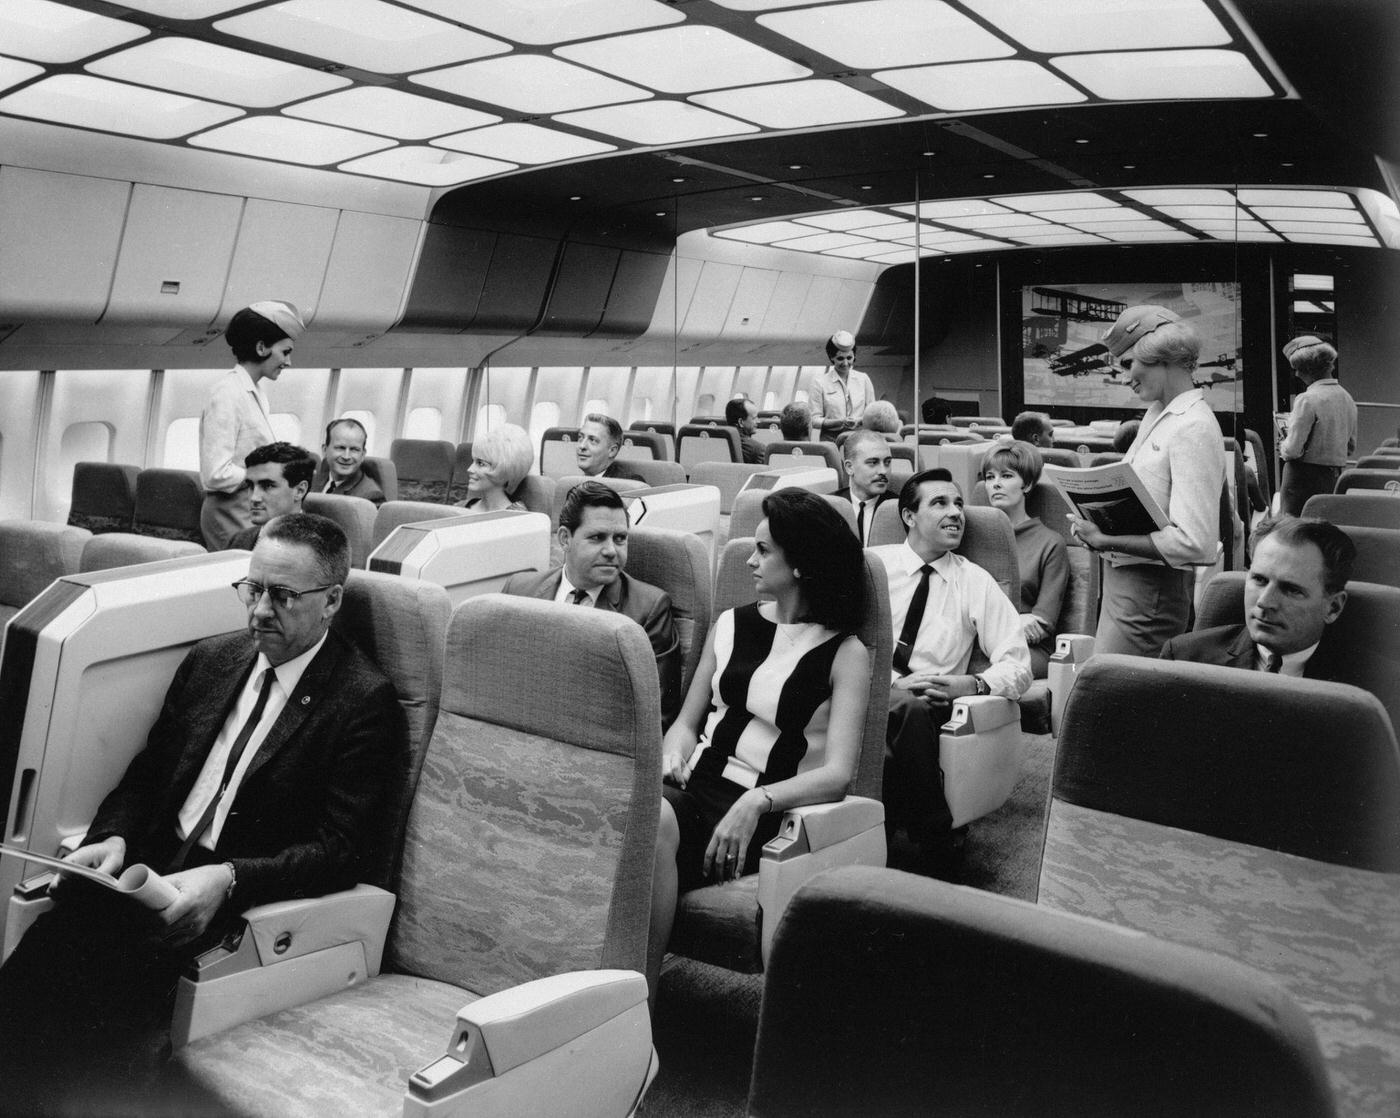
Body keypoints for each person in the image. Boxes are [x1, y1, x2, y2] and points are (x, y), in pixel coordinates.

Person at [0, 514, 403, 1110]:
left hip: (231, 904)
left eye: (284, 596)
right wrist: (113, 837)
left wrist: (231, 877)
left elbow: (343, 849)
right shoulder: (213, 660)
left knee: (95, 1049)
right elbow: (147, 776)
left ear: (331, 601)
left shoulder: (363, 701)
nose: (261, 610)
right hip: (142, 874)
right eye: (253, 589)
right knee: (23, 994)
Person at [648, 488, 870, 1000]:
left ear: (800, 565)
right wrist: (671, 754)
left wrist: (756, 800)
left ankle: (642, 1003)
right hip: (692, 788)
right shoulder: (730, 625)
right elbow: (687, 721)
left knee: (651, 821)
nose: (749, 559)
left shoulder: (845, 653)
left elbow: (838, 773)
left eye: (764, 550)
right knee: (637, 811)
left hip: (760, 814)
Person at [871, 469, 1031, 870]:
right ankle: (934, 836)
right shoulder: (872, 567)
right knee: (897, 717)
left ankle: (882, 845)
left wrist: (972, 683)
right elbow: (840, 639)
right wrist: (887, 682)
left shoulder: (974, 580)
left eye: (959, 503)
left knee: (911, 710)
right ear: (909, 516)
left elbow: (1019, 665)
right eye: (940, 503)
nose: (956, 512)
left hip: (931, 704)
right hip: (870, 689)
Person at [1067, 305, 1224, 658]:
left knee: (1110, 695)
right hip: (1123, 582)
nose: (1126, 377)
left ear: (1160, 358)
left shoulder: (1192, 426)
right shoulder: (1158, 414)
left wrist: (1106, 538)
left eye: (1128, 364)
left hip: (1150, 594)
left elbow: (1195, 542)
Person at [1160, 516, 1396, 701]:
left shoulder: (1382, 686)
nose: (1264, 601)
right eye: (1259, 580)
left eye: (1291, 589)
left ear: (1333, 607)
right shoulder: (1184, 659)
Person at [502, 481, 679, 726]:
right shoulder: (520, 590)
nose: (611, 550)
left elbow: (656, 715)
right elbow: (499, 679)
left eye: (620, 539)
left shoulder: (649, 609)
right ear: (565, 539)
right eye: (597, 538)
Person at [199, 301, 305, 550]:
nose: (288, 361)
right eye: (285, 352)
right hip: (229, 512)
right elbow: (215, 473)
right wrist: (267, 478)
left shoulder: (254, 391)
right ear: (261, 347)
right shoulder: (227, 394)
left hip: (248, 506)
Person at [981, 441, 1069, 678]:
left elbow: (1041, 624)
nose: (995, 483)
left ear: (1027, 484)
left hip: (1027, 649)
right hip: (977, 641)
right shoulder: (975, 536)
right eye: (990, 477)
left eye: (1006, 476)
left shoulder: (1051, 543)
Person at [1278, 335, 1356, 515]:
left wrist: (1282, 445)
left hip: (1300, 478)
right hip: (1332, 477)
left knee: (1291, 528)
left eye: (1298, 369)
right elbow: (1350, 447)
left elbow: (1292, 450)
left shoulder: (1306, 399)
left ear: (1309, 369)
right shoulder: (1347, 398)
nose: (1297, 374)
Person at [225, 441, 314, 551]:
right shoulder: (240, 540)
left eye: (268, 486)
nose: (254, 498)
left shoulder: (316, 546)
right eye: (251, 486)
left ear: (299, 491)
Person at [803, 330, 875, 443]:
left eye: (849, 358)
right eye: (840, 358)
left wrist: (858, 421)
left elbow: (872, 412)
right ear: (832, 358)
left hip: (860, 440)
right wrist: (840, 422)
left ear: (854, 356)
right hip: (831, 441)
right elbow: (814, 420)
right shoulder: (820, 382)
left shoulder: (864, 379)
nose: (846, 363)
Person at [454, 423, 533, 512]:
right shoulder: (460, 507)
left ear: (505, 470)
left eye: (480, 463)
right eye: (473, 461)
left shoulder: (517, 517)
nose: (470, 469)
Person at [837, 429, 896, 546]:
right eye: (873, 463)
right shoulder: (831, 507)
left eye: (887, 462)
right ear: (849, 467)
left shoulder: (899, 508)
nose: (883, 471)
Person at [320, 418, 385, 505]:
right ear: (325, 450)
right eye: (340, 448)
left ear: (362, 455)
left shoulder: (370, 496)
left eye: (354, 449)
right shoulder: (315, 479)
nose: (346, 457)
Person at [576, 413, 645, 481]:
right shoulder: (575, 482)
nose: (582, 446)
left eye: (593, 440)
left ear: (612, 451)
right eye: (581, 437)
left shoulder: (629, 484)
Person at [725, 397, 766, 464]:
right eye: (754, 418)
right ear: (741, 422)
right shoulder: (758, 449)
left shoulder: (717, 442)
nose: (758, 421)